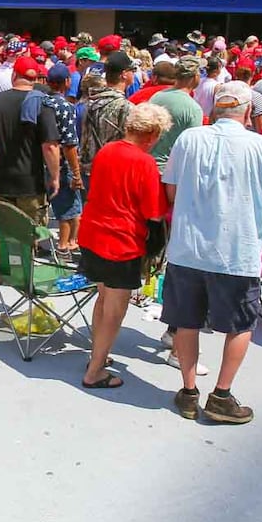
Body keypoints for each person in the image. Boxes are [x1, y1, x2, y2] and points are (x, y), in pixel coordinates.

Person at [161, 81, 262, 424]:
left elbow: (171, 191)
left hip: (188, 248)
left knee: (186, 322)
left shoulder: (188, 139)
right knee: (239, 325)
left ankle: (189, 391)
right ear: (248, 111)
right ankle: (221, 394)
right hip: (236, 250)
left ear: (215, 108)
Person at [77, 103, 171, 390]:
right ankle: (94, 370)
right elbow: (154, 212)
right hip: (121, 241)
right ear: (152, 134)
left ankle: (98, 356)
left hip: (94, 233)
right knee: (115, 309)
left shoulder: (108, 150)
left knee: (103, 299)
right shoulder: (144, 163)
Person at [0, 56, 60, 226]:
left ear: (14, 75)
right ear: (36, 79)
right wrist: (55, 177)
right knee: (28, 236)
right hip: (30, 183)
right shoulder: (42, 103)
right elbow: (50, 146)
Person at [38, 63, 84, 259]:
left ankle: (67, 244)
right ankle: (65, 246)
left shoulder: (41, 102)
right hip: (62, 164)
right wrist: (76, 172)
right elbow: (69, 144)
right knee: (69, 208)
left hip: (42, 163)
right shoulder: (65, 106)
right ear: (67, 82)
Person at [79, 51, 134, 186]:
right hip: (113, 175)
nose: (134, 73)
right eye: (133, 70)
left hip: (89, 171)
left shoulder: (90, 101)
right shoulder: (126, 107)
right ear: (124, 74)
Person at [145, 57, 204, 168]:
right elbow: (192, 148)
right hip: (170, 171)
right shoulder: (194, 109)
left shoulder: (156, 97)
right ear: (195, 77)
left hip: (149, 165)